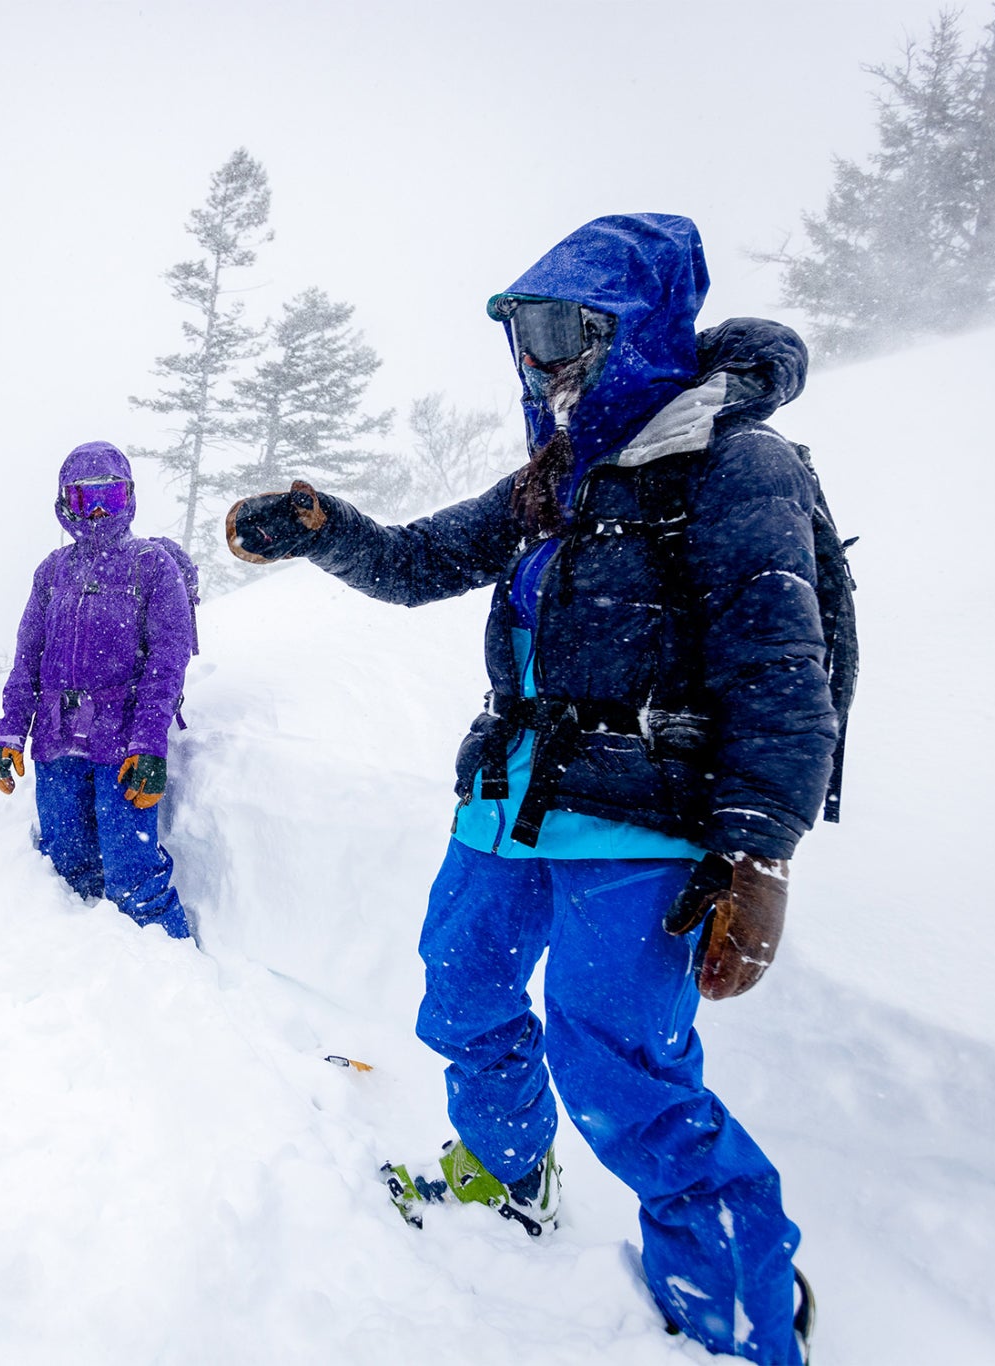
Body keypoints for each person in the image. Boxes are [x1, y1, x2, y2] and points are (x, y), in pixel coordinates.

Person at [225, 215, 830, 1365]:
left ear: (640, 329)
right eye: (524, 333)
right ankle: (501, 1173)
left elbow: (778, 673)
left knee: (616, 1062)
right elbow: (414, 564)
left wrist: (758, 859)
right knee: (459, 992)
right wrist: (321, 528)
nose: (543, 362)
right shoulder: (552, 479)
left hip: (640, 819)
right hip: (508, 801)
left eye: (567, 330)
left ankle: (732, 1303)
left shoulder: (734, 467)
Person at [0, 440, 196, 940]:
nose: (100, 511)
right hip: (58, 744)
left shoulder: (152, 567)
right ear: (65, 504)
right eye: (86, 499)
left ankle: (174, 974)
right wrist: (10, 733)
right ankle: (79, 966)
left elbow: (168, 664)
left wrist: (149, 744)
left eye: (112, 496)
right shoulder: (52, 572)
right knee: (65, 867)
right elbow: (27, 660)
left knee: (132, 874)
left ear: (130, 498)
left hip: (122, 746)